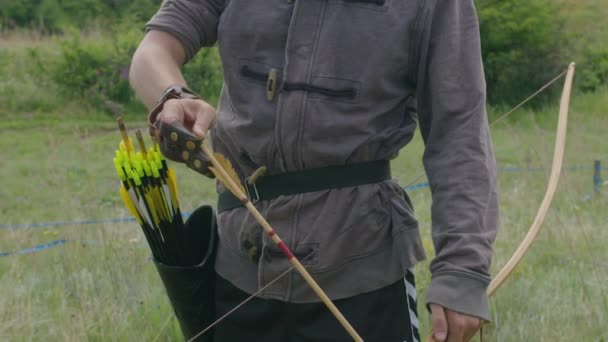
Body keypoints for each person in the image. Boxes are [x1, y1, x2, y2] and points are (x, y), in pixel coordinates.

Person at [129, 0, 499, 341]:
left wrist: (462, 269)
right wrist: (171, 97)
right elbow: (154, 51)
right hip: (238, 266)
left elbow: (459, 132)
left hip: (363, 270)